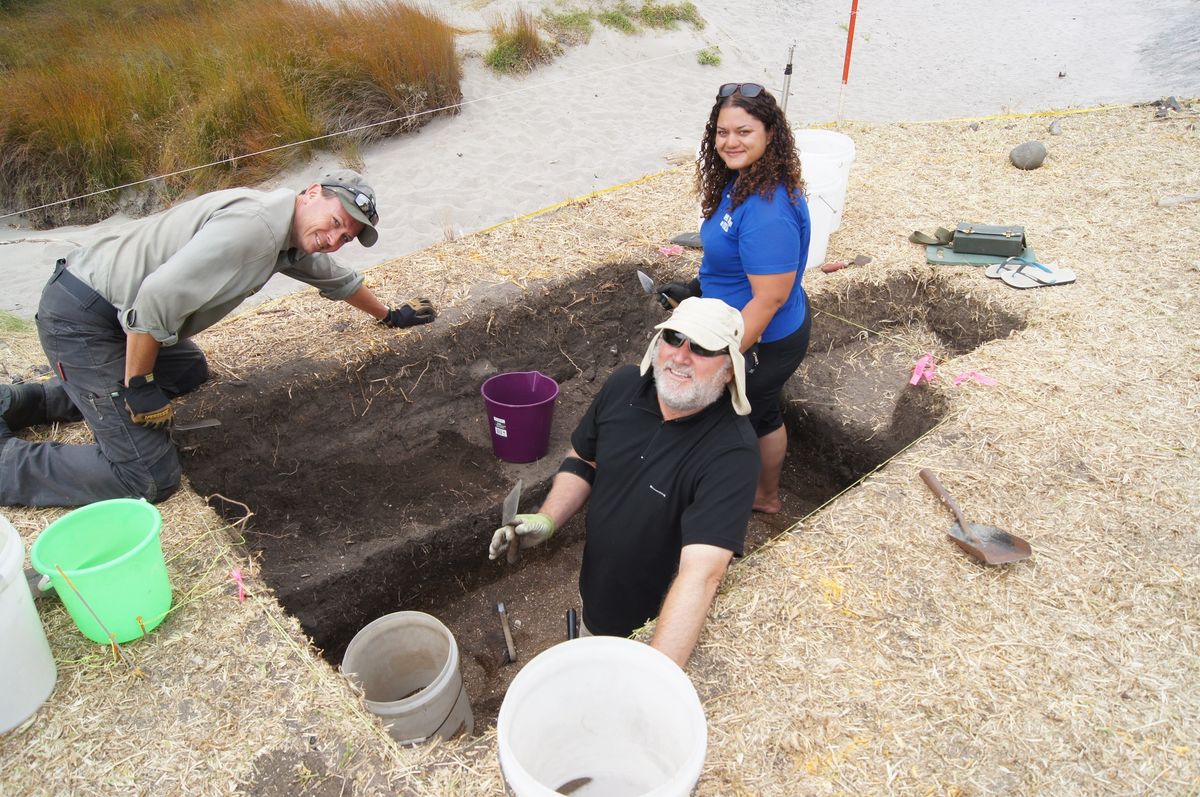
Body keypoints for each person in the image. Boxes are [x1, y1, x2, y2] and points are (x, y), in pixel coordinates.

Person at [0, 169, 435, 507]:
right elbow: (151, 301)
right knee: (148, 476)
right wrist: (138, 385)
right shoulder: (256, 231)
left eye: (346, 237)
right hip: (84, 318)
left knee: (188, 368)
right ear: (312, 192)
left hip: (115, 310)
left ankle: (20, 402)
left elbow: (334, 278)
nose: (335, 240)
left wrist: (389, 315)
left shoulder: (287, 230)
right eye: (337, 223)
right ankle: (7, 466)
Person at [488, 297, 759, 667]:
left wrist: (653, 677)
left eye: (702, 348)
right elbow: (584, 458)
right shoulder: (624, 387)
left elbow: (702, 575)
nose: (681, 356)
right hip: (597, 589)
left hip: (654, 625)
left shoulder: (731, 452)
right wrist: (549, 518)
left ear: (728, 370)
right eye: (674, 338)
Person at [657, 82, 812, 515]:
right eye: (722, 133)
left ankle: (765, 497)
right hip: (731, 319)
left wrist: (726, 359)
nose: (730, 142)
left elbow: (768, 300)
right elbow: (729, 261)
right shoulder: (742, 180)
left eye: (743, 132)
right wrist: (696, 290)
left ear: (770, 135)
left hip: (762, 337)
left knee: (757, 415)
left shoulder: (767, 209)